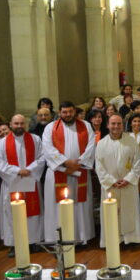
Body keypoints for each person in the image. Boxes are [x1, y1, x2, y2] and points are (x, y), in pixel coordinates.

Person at [42, 101, 96, 244]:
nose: (67, 115)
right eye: (64, 112)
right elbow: (48, 148)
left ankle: (81, 237)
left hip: (80, 171)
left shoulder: (85, 125)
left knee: (79, 205)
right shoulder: (50, 128)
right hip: (58, 172)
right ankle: (59, 239)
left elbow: (91, 146)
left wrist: (78, 163)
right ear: (59, 113)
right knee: (58, 207)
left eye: (70, 112)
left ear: (75, 112)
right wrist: (66, 163)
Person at [0, 115, 45, 257]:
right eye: (16, 123)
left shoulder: (35, 140)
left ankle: (33, 241)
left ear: (26, 124)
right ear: (10, 124)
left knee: (33, 214)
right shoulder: (2, 143)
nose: (19, 126)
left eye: (22, 123)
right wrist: (17, 171)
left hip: (31, 180)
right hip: (12, 182)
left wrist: (30, 169)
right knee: (12, 213)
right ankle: (15, 244)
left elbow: (42, 158)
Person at [95, 114, 140, 248]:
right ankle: (112, 240)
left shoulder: (131, 141)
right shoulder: (101, 144)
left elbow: (137, 162)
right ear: (108, 125)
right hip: (111, 186)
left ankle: (131, 239)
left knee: (129, 211)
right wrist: (111, 181)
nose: (116, 127)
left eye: (119, 124)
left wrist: (128, 179)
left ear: (123, 125)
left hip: (128, 185)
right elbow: (99, 166)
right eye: (113, 124)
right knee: (112, 214)